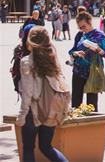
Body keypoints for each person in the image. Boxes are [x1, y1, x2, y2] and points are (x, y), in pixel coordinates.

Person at [16, 26, 69, 162]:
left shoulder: (27, 61)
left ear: (30, 40)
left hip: (33, 111)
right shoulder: (52, 59)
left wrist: (22, 115)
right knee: (46, 147)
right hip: (50, 110)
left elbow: (28, 92)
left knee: (28, 148)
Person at [69, 12, 105, 112]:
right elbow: (71, 51)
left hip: (92, 72)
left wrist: (97, 49)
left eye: (84, 26)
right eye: (80, 27)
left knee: (91, 105)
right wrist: (76, 53)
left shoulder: (99, 35)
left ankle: (92, 126)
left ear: (90, 22)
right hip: (78, 71)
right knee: (75, 103)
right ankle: (75, 126)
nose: (82, 29)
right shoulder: (80, 35)